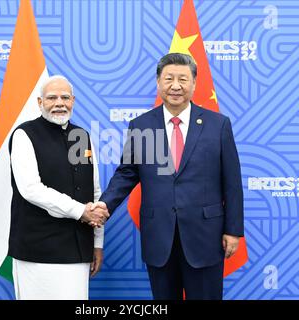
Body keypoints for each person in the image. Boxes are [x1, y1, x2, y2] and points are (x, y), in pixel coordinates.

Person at [95, 53, 244, 300]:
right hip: (159, 236)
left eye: (183, 79)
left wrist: (233, 230)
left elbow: (232, 182)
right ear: (158, 82)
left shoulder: (218, 125)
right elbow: (127, 173)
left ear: (194, 83)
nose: (176, 86)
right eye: (169, 79)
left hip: (205, 236)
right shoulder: (141, 125)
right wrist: (104, 204)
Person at [8, 75, 109, 300]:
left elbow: (94, 191)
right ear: (40, 102)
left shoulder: (82, 136)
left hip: (78, 249)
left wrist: (98, 243)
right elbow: (31, 189)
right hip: (37, 250)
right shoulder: (24, 135)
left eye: (65, 97)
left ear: (73, 100)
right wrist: (80, 211)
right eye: (52, 97)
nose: (59, 103)